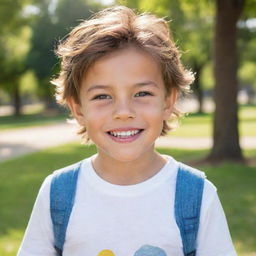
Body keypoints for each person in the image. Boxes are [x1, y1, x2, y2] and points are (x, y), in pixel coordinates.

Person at [18, 5, 237, 256]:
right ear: (78, 109)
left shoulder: (197, 196)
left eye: (142, 93)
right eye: (102, 96)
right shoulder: (58, 193)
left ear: (168, 101)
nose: (123, 111)